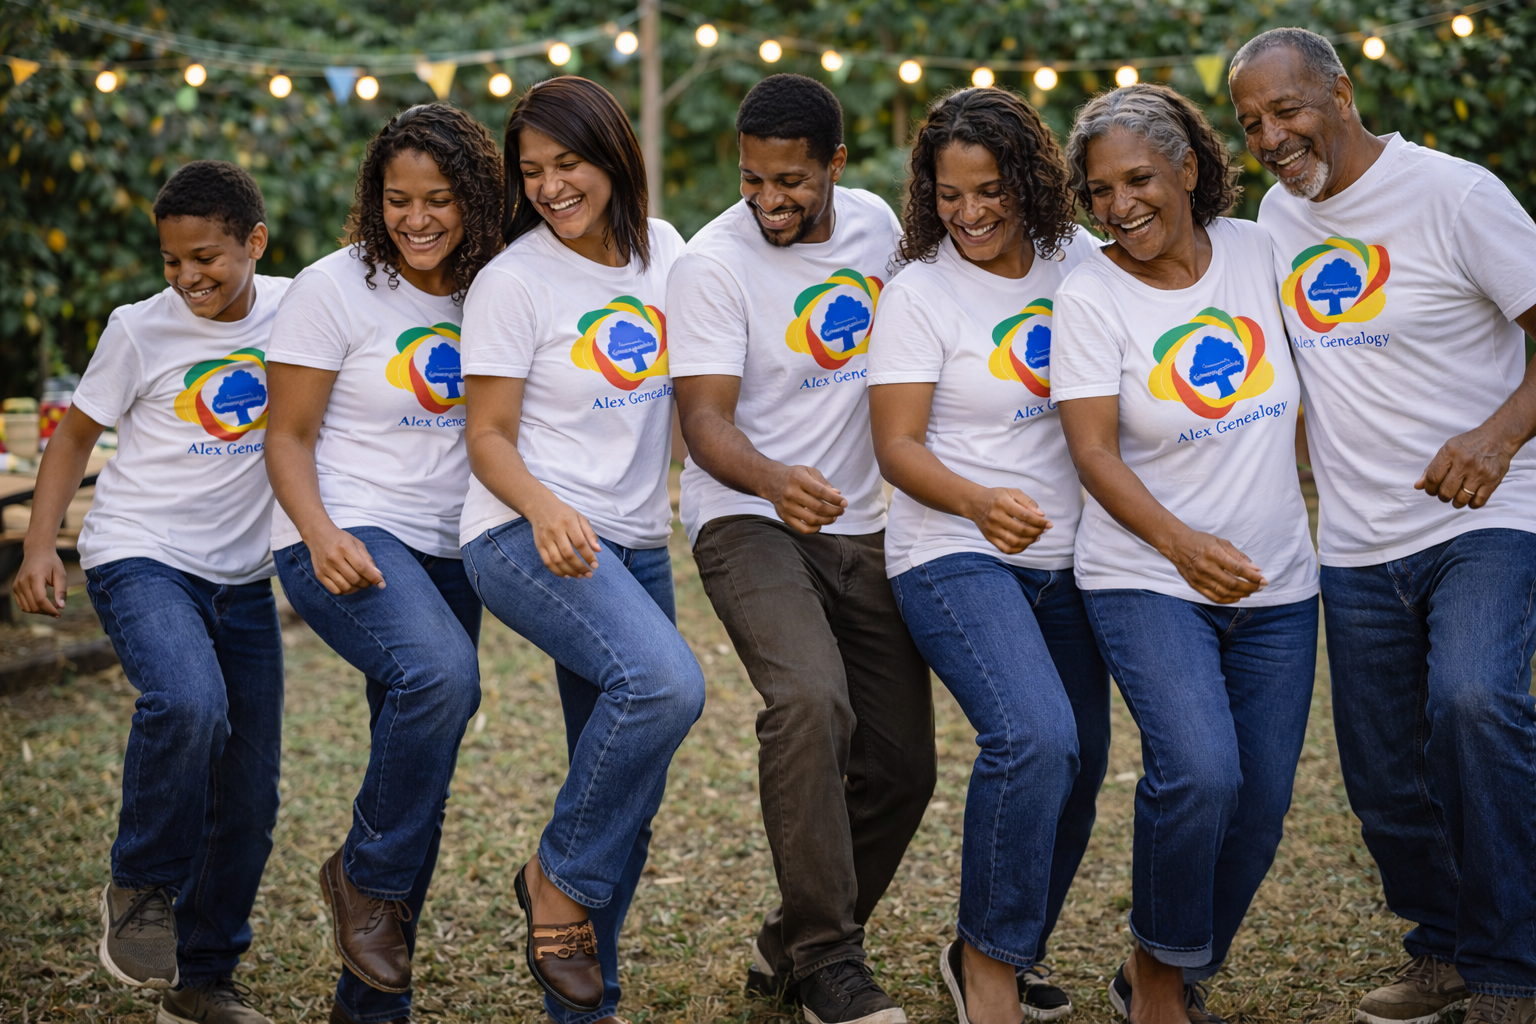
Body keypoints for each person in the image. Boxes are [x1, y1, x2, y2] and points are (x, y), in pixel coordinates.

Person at [1230, 29, 1536, 1024]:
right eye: (1252, 124)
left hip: (1488, 513)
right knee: (1384, 774)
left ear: (1343, 91)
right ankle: (1440, 947)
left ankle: (1508, 966)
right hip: (1357, 541)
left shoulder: (1456, 194)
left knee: (1475, 702)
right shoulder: (1275, 221)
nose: (1272, 136)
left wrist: (1495, 437)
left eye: (1287, 111)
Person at [667, 73, 935, 1024]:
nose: (769, 201)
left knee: (904, 765)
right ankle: (826, 958)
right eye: (752, 180)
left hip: (866, 522)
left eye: (791, 181)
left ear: (835, 165)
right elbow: (702, 418)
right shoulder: (711, 264)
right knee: (811, 700)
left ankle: (788, 938)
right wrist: (773, 480)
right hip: (749, 518)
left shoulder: (883, 231)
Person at [1051, 84, 1319, 1024]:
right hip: (1145, 577)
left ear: (1190, 170)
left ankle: (1158, 965)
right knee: (1201, 770)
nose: (1120, 207)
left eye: (1139, 180)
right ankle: (1161, 985)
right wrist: (1182, 544)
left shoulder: (1259, 250)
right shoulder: (1088, 295)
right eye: (1099, 193)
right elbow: (1090, 450)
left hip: (1280, 581)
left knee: (1261, 802)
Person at [13, 160, 288, 1024]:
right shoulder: (139, 330)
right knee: (187, 701)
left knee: (248, 797)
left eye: (205, 258)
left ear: (255, 242)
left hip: (244, 583)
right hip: (142, 556)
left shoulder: (301, 309)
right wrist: (38, 546)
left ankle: (202, 982)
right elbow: (73, 439)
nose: (187, 279)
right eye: (172, 262)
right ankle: (140, 884)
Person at [456, 76, 705, 1024]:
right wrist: (546, 509)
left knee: (625, 792)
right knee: (667, 686)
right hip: (521, 531)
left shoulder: (667, 253)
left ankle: (585, 1007)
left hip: (632, 541)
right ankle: (553, 875)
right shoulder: (514, 280)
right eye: (534, 172)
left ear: (613, 156)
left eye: (568, 164)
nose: (553, 187)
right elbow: (486, 435)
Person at [866, 86, 1107, 1024]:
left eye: (991, 190)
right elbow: (897, 447)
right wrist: (977, 503)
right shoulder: (919, 290)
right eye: (950, 193)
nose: (970, 212)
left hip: (1073, 557)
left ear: (1032, 183)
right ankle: (990, 964)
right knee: (1035, 735)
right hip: (950, 549)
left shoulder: (1078, 260)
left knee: (1080, 760)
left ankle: (1007, 940)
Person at [261, 103, 504, 1024]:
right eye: (398, 200)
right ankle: (358, 875)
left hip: (451, 546)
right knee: (442, 676)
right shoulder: (334, 288)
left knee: (420, 768)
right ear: (374, 200)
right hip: (344, 534)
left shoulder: (493, 282)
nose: (417, 218)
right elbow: (285, 436)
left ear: (474, 198)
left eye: (439, 198)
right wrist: (322, 533)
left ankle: (367, 1009)